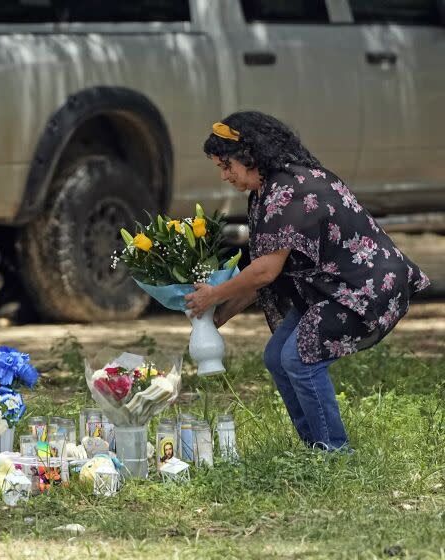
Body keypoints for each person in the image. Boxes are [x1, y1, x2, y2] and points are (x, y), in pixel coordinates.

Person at [184, 111, 429, 451]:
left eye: (227, 166)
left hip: (361, 289)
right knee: (277, 357)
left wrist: (213, 296)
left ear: (250, 155)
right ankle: (315, 443)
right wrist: (220, 313)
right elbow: (265, 270)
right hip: (328, 288)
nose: (225, 176)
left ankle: (334, 449)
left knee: (298, 359)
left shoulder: (288, 189)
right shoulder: (267, 189)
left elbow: (265, 271)